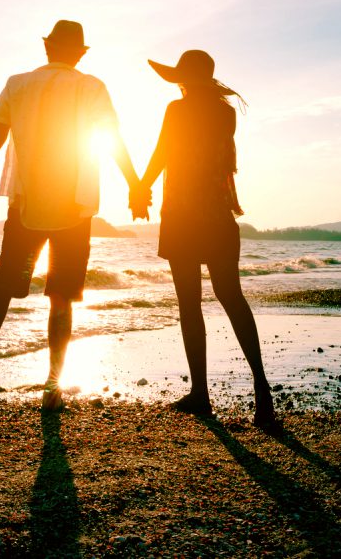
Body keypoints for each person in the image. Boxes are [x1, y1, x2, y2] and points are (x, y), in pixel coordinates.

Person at [0, 20, 144, 429]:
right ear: (80, 52)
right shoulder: (91, 86)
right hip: (74, 209)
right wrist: (135, 185)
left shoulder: (18, 83)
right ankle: (52, 387)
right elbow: (112, 138)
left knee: (3, 286)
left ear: (46, 47)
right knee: (61, 297)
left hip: (26, 204)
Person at [137, 49, 277, 428]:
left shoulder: (178, 109)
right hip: (217, 215)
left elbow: (163, 153)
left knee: (189, 303)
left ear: (185, 78)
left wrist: (141, 189)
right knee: (231, 295)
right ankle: (262, 391)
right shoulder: (225, 112)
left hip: (182, 214)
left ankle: (201, 393)